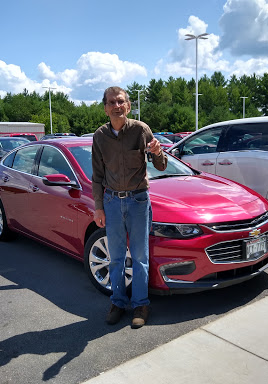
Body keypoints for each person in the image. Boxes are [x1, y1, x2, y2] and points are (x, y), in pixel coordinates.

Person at [91, 86, 167, 329]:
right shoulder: (100, 136)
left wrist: (157, 152)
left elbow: (161, 165)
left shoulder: (140, 130)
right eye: (112, 102)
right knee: (115, 258)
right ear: (105, 108)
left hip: (138, 201)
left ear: (128, 105)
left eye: (121, 101)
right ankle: (118, 302)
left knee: (140, 257)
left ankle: (141, 305)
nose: (116, 105)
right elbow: (96, 176)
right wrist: (99, 207)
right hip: (112, 202)